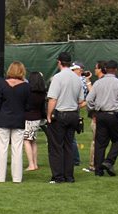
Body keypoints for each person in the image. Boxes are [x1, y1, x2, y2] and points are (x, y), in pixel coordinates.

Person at [86, 59, 118, 177]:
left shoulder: (98, 83)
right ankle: (109, 161)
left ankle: (98, 171)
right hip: (114, 115)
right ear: (116, 70)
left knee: (100, 143)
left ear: (105, 70)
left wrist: (92, 110)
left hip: (101, 115)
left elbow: (89, 99)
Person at [46, 52, 83, 184]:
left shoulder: (58, 77)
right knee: (69, 146)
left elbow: (53, 99)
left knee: (56, 146)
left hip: (60, 114)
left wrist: (49, 115)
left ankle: (58, 176)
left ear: (59, 63)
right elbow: (80, 100)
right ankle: (69, 176)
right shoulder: (77, 78)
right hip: (73, 114)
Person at [0, 61, 30, 183]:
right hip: (18, 120)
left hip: (3, 120)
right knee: (17, 150)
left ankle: (1, 177)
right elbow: (28, 106)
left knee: (2, 149)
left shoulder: (2, 84)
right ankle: (17, 178)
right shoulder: (26, 87)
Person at [23, 71, 46, 172]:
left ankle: (31, 164)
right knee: (33, 140)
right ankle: (34, 163)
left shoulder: (29, 92)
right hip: (37, 118)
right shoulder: (42, 92)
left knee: (26, 140)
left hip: (28, 117)